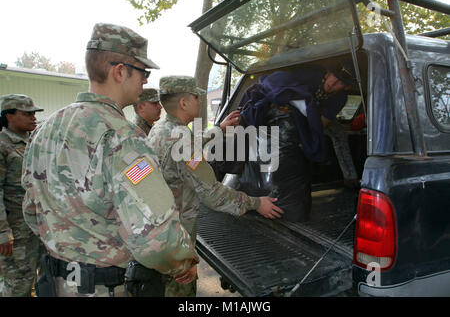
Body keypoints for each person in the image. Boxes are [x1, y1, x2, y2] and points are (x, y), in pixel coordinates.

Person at [21, 23, 198, 297]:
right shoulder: (124, 139)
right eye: (143, 72)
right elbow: (158, 238)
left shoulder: (45, 129)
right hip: (105, 286)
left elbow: (32, 211)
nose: (146, 81)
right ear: (120, 71)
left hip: (54, 283)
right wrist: (183, 263)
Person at [147, 75, 284, 297]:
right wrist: (256, 203)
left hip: (159, 231)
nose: (200, 101)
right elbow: (212, 192)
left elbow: (184, 148)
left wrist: (219, 128)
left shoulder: (160, 129)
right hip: (176, 239)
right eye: (196, 97)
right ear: (183, 103)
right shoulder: (180, 141)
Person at [236, 59, 358, 222]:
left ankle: (350, 178)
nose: (333, 84)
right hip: (288, 114)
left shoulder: (339, 98)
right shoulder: (310, 75)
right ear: (327, 73)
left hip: (310, 118)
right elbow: (280, 85)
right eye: (333, 78)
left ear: (346, 87)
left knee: (339, 134)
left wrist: (304, 127)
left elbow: (321, 124)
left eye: (339, 83)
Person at [0, 94, 44, 297]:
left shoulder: (34, 142)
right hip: (16, 231)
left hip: (39, 227)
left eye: (34, 113)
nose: (33, 117)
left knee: (42, 280)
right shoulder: (3, 145)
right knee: (18, 284)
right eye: (27, 114)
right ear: (8, 115)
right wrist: (2, 233)